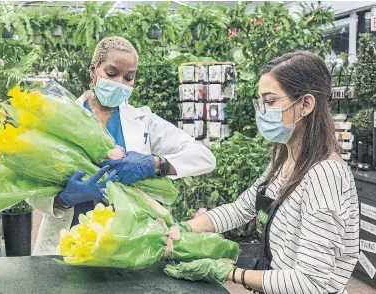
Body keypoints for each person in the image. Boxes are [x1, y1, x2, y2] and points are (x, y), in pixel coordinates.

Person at [165, 51, 359, 294]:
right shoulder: (285, 159)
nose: (262, 112)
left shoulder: (325, 176)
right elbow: (241, 209)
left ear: (306, 104)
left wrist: (229, 273)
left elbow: (311, 282)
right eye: (261, 102)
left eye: (270, 101)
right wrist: (183, 228)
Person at [32, 36, 216, 255]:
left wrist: (155, 164)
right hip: (67, 240)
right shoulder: (59, 117)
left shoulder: (143, 120)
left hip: (126, 243)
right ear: (93, 70)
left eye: (129, 77)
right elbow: (30, 184)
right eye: (111, 74)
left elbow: (204, 157)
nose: (120, 82)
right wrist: (63, 199)